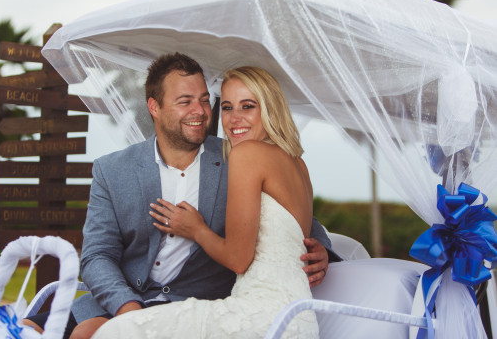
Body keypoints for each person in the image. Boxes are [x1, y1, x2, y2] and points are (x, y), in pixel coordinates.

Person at [23, 53, 334, 339]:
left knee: (90, 333)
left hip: (197, 304)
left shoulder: (236, 156)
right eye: (185, 101)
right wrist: (126, 306)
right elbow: (96, 256)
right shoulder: (112, 170)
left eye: (203, 100)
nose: (199, 112)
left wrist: (322, 250)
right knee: (26, 329)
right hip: (124, 300)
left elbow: (289, 218)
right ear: (154, 107)